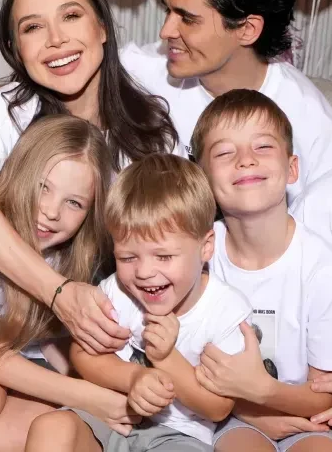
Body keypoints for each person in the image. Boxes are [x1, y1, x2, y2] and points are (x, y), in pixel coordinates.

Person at [0, 0, 186, 359]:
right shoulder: (7, 111)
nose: (56, 39)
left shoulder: (152, 133)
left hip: (73, 338)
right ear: (16, 50)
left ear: (102, 27)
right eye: (33, 27)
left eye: (71, 16)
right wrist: (57, 292)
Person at [0, 115, 138, 452]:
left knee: (48, 422)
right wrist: (86, 395)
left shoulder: (66, 259)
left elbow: (50, 344)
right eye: (43, 187)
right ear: (19, 173)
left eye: (74, 202)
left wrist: (114, 387)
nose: (52, 211)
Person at [23, 153, 253, 452]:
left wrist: (166, 358)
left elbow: (218, 408)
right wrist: (134, 377)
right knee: (51, 427)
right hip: (109, 416)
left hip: (179, 435)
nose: (144, 272)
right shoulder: (117, 290)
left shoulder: (226, 311)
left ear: (206, 247)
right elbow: (82, 353)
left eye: (164, 256)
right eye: (128, 257)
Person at [120, 0, 332, 204]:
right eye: (168, 11)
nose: (166, 31)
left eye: (187, 19)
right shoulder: (140, 70)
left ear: (247, 29)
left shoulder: (313, 126)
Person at [190, 89, 332, 452]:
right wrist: (248, 411)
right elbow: (181, 361)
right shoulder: (198, 256)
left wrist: (264, 392)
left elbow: (325, 394)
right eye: (224, 153)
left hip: (304, 415)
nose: (246, 160)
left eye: (262, 147)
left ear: (292, 169)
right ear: (203, 179)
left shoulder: (323, 269)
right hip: (224, 412)